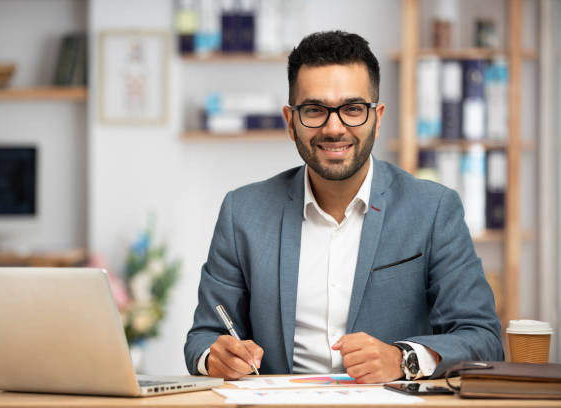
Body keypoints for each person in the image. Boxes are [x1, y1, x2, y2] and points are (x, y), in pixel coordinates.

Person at [184, 30, 504, 383]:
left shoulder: (433, 210)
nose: (334, 128)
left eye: (352, 109)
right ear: (291, 122)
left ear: (377, 118)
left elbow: (484, 340)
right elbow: (202, 338)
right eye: (315, 110)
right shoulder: (242, 212)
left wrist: (403, 359)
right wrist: (214, 357)